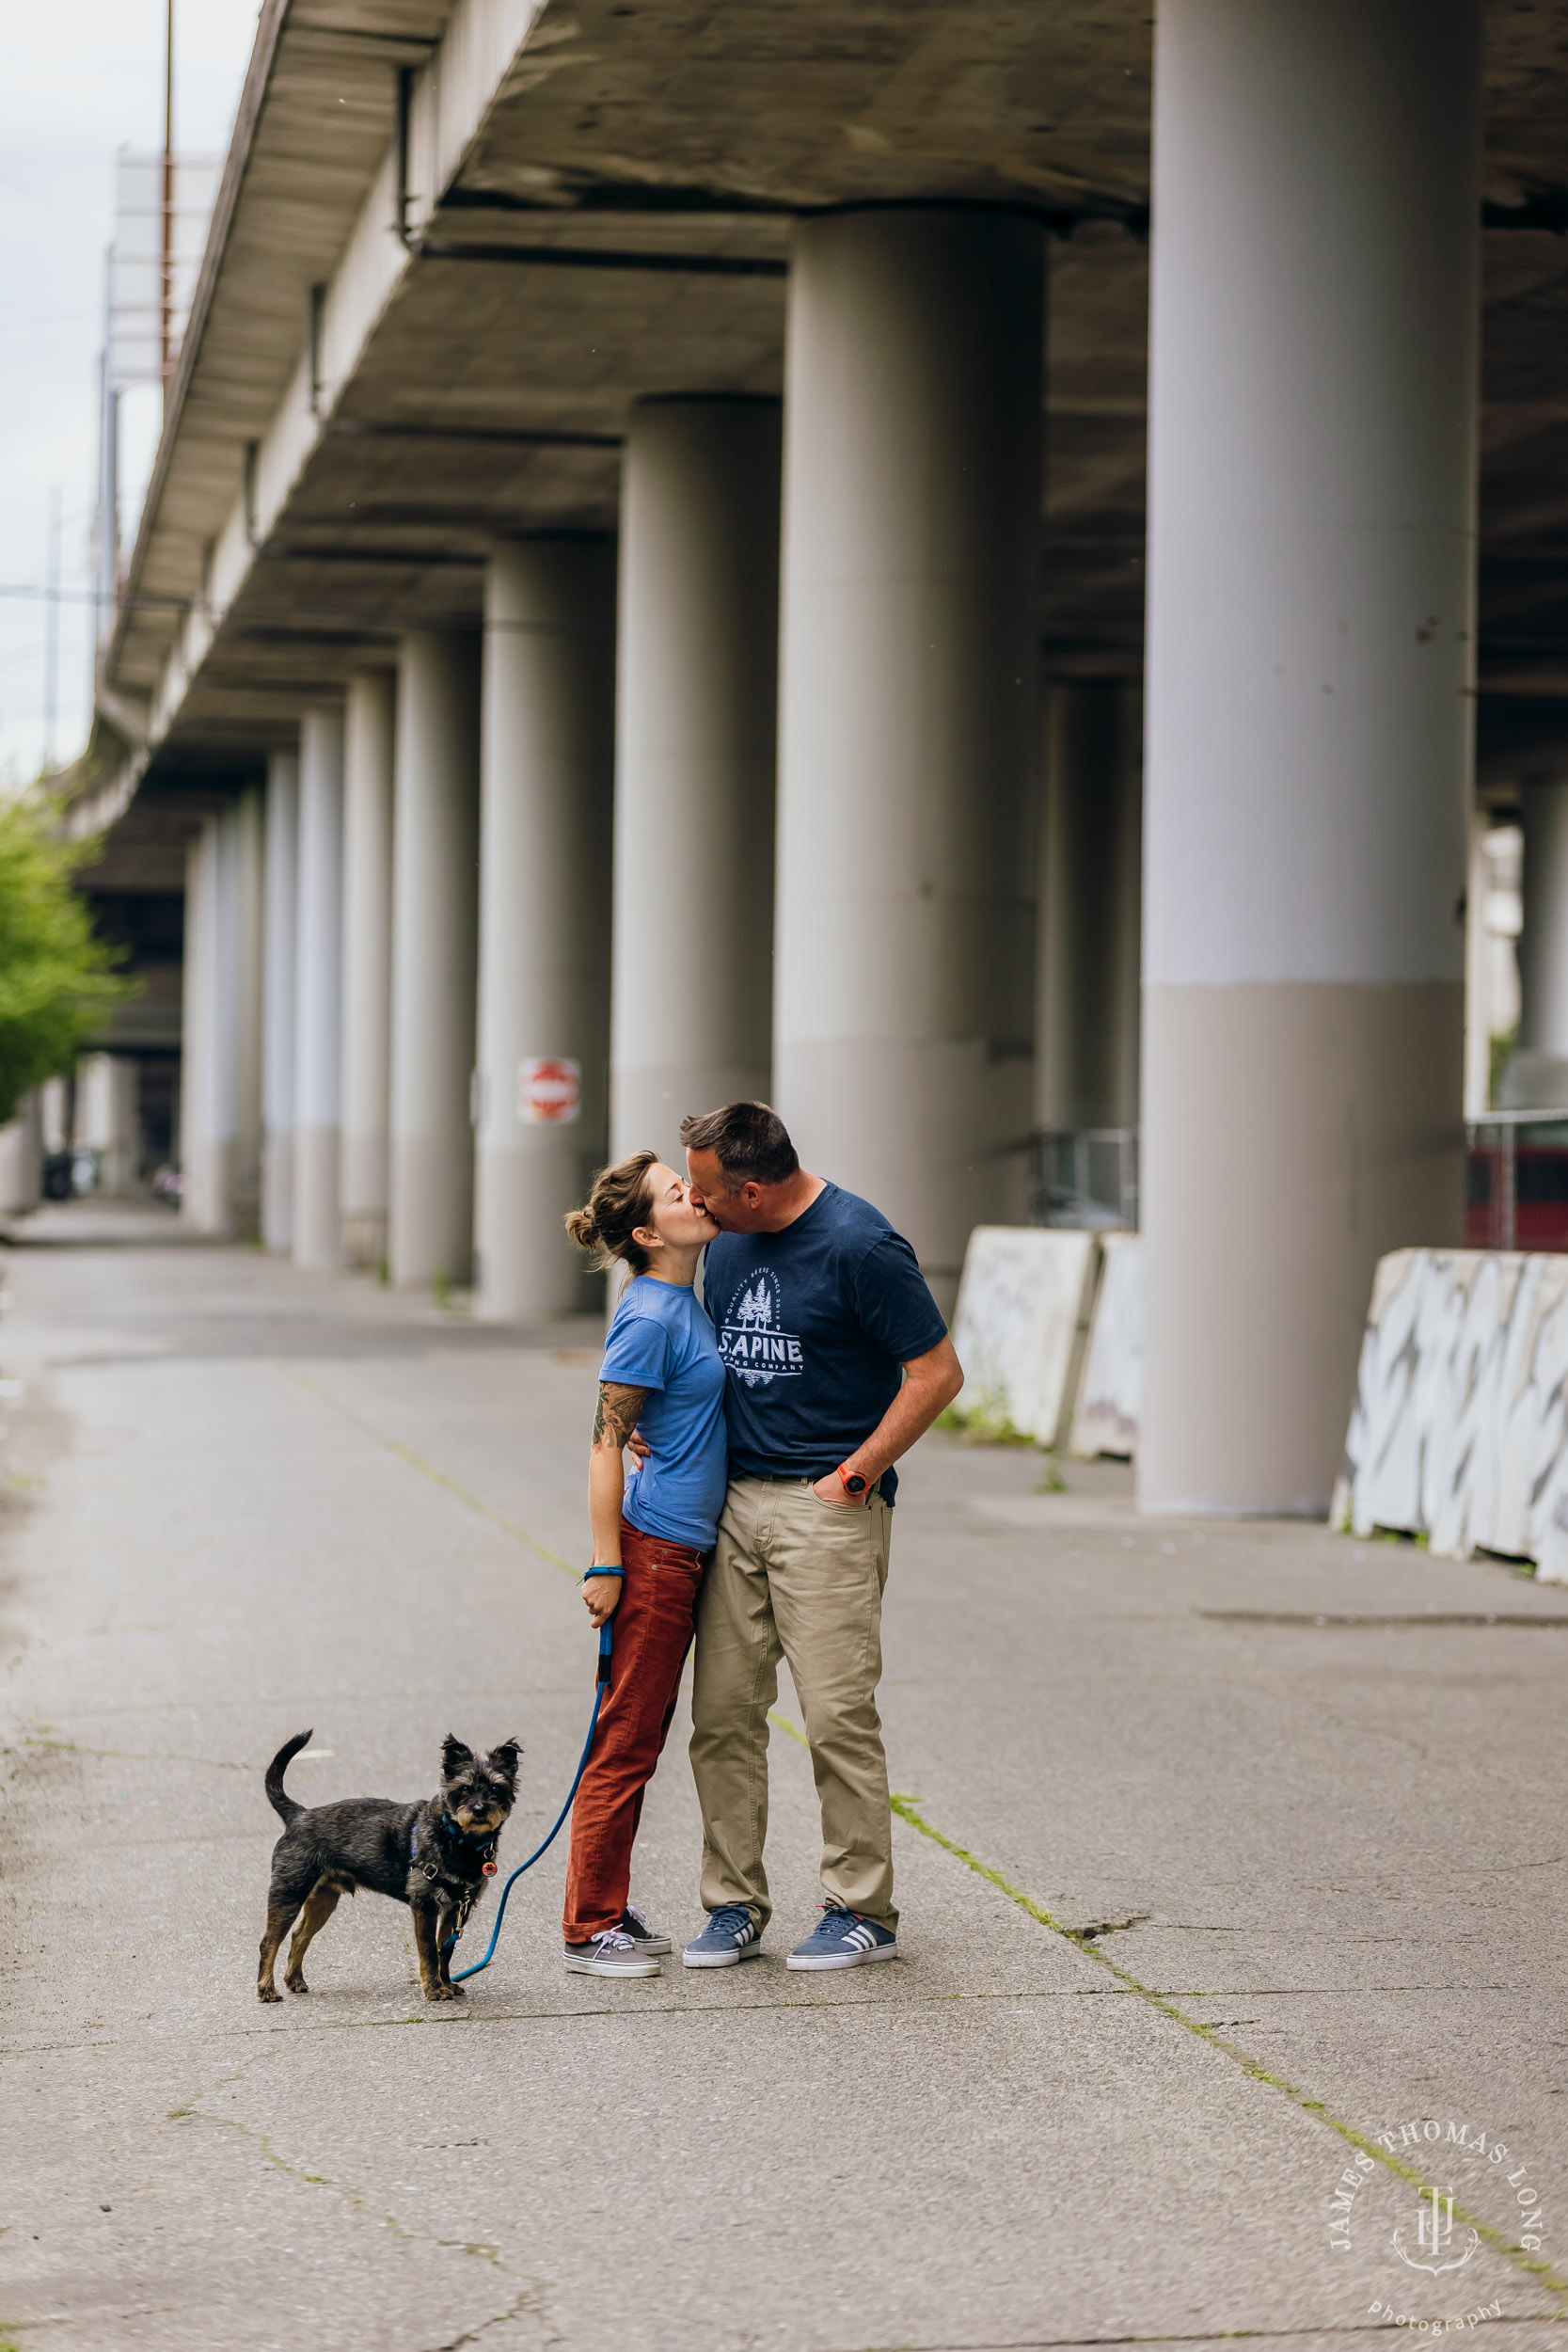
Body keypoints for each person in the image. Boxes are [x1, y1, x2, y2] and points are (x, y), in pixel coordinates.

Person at [676, 1101, 963, 1971]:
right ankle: (732, 1905)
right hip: (733, 1503)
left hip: (824, 1510)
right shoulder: (725, 1239)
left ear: (753, 1189)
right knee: (722, 1716)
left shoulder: (858, 1245)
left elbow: (937, 1372)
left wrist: (852, 1477)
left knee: (836, 1715)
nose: (696, 1205)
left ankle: (860, 1909)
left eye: (707, 1192)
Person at [559, 1152, 726, 1979]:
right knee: (625, 1742)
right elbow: (604, 1443)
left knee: (640, 1737)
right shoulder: (652, 1316)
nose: (693, 1194)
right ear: (645, 1232)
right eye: (675, 1192)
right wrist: (607, 1563)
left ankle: (608, 1907)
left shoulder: (680, 1299)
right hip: (653, 1553)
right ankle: (589, 1929)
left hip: (681, 1550)